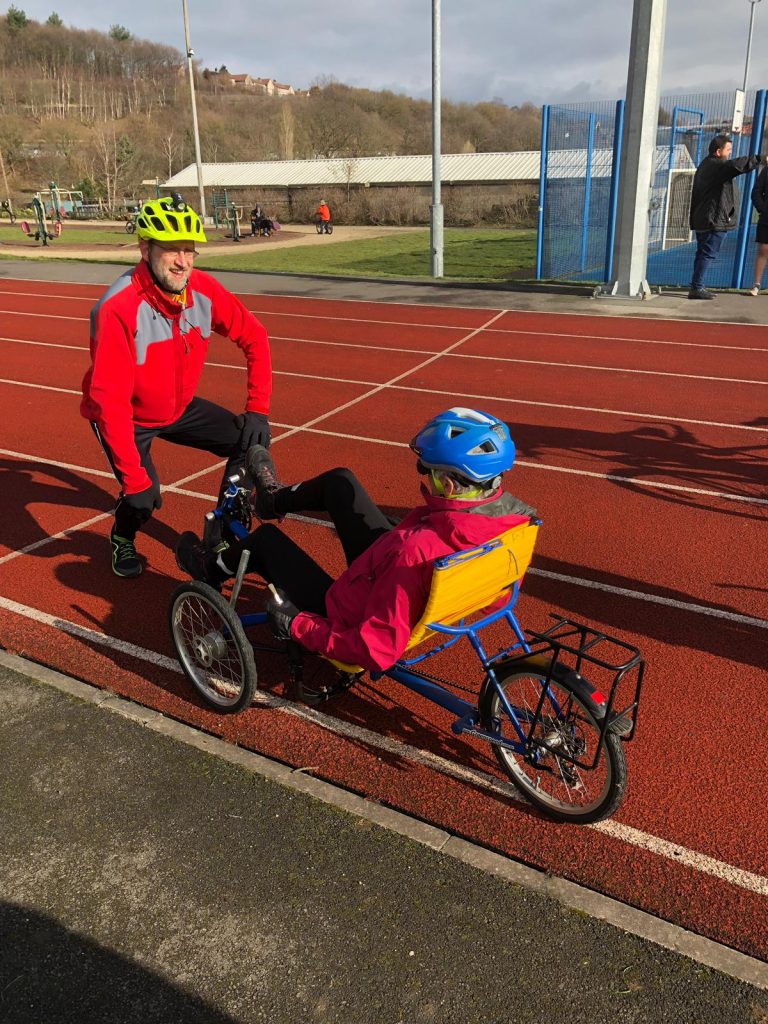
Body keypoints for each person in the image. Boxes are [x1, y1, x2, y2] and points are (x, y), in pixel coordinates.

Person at [175, 408, 537, 676]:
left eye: (427, 472)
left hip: (349, 610)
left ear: (452, 484)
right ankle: (273, 500)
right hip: (402, 568)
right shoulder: (514, 520)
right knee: (341, 484)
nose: (423, 478)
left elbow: (374, 648)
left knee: (266, 540)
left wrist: (298, 623)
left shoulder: (414, 552)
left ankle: (208, 568)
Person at [80, 194, 273, 579]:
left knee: (249, 441)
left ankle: (219, 534)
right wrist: (135, 480)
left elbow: (256, 337)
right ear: (145, 248)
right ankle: (122, 536)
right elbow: (109, 400)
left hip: (178, 406)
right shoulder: (117, 308)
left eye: (189, 250)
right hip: (129, 416)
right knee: (144, 498)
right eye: (171, 250)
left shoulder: (202, 290)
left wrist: (258, 408)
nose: (183, 261)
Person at [688, 134, 763, 300]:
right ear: (718, 152)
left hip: (706, 217)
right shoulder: (716, 166)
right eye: (728, 150)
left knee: (703, 253)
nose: (730, 153)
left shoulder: (709, 165)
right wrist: (760, 159)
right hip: (713, 219)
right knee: (707, 253)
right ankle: (697, 287)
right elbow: (735, 166)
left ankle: (697, 285)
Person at [748, 163, 768, 296]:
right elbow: (756, 192)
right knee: (763, 249)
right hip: (767, 218)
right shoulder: (767, 170)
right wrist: (763, 209)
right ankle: (756, 285)